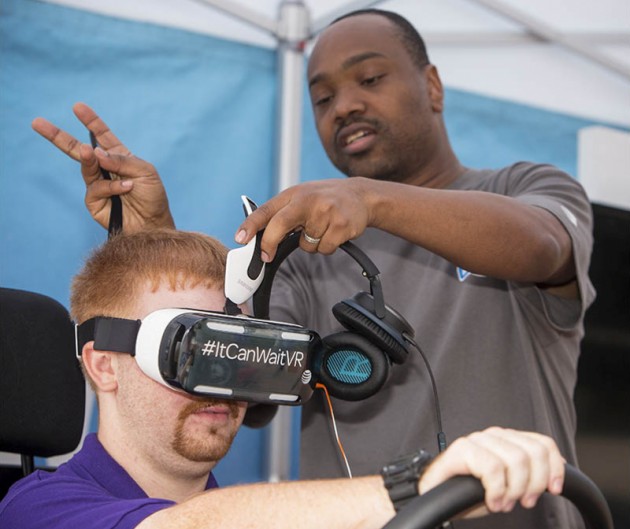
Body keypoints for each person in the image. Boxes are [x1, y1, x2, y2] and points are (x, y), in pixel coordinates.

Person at [30, 8, 594, 528]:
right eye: (322, 99)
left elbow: (544, 245)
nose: (344, 106)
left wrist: (370, 199)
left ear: (433, 86)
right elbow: (230, 374)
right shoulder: (304, 255)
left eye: (369, 79)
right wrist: (154, 236)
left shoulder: (525, 189)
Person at [0, 228, 568, 529]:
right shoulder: (37, 509)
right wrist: (416, 488)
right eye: (192, 352)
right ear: (104, 365)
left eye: (237, 351)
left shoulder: (254, 513)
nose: (216, 384)